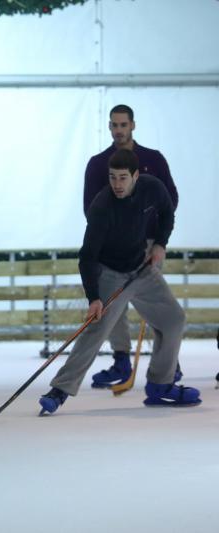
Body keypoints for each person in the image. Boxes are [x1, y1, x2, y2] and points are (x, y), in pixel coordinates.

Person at [39, 149, 200, 414]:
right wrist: (94, 298)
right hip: (110, 274)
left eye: (123, 178)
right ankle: (59, 391)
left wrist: (160, 243)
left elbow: (167, 212)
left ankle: (161, 385)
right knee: (95, 331)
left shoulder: (152, 188)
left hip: (142, 269)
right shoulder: (102, 207)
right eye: (113, 177)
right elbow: (87, 257)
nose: (117, 184)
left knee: (174, 320)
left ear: (136, 176)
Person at [83, 104, 181, 388]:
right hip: (113, 245)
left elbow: (170, 199)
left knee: (155, 303)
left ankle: (168, 366)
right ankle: (121, 359)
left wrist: (158, 240)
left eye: (123, 125)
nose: (118, 130)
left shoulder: (153, 158)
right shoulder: (99, 163)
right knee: (115, 304)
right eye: (113, 125)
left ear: (133, 126)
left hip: (149, 242)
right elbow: (91, 207)